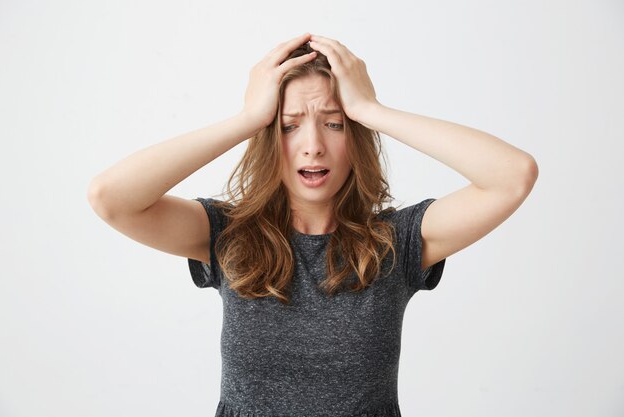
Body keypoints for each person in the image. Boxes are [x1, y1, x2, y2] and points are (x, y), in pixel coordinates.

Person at [88, 33, 538, 417]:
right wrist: (247, 119)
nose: (313, 146)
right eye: (288, 127)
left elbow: (512, 176)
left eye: (335, 124)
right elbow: (111, 198)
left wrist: (372, 109)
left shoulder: (396, 243)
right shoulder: (227, 234)